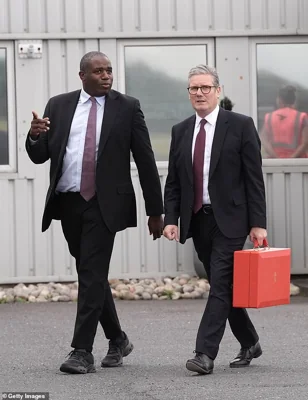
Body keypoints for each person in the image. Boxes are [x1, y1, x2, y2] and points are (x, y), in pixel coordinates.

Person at [26, 51, 164, 374]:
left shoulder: (127, 107)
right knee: (92, 273)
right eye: (98, 71)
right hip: (69, 202)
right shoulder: (58, 106)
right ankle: (118, 339)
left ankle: (81, 351)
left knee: (89, 273)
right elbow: (40, 156)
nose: (106, 76)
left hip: (105, 205)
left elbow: (145, 160)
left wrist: (156, 211)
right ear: (82, 75)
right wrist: (34, 136)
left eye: (109, 71)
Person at [163, 64, 267, 375]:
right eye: (193, 88)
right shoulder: (180, 130)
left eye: (205, 87)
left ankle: (204, 353)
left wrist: (258, 222)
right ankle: (250, 341)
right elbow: (174, 181)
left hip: (232, 220)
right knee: (225, 286)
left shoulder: (241, 125)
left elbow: (254, 179)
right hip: (198, 221)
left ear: (218, 91)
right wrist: (171, 218)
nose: (199, 93)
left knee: (220, 284)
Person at [260, 85, 308, 158]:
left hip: (275, 163)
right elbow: (305, 143)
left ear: (280, 100)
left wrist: (277, 157)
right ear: (294, 100)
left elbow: (263, 139)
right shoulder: (302, 116)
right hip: (298, 163)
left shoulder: (269, 117)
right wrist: (291, 159)